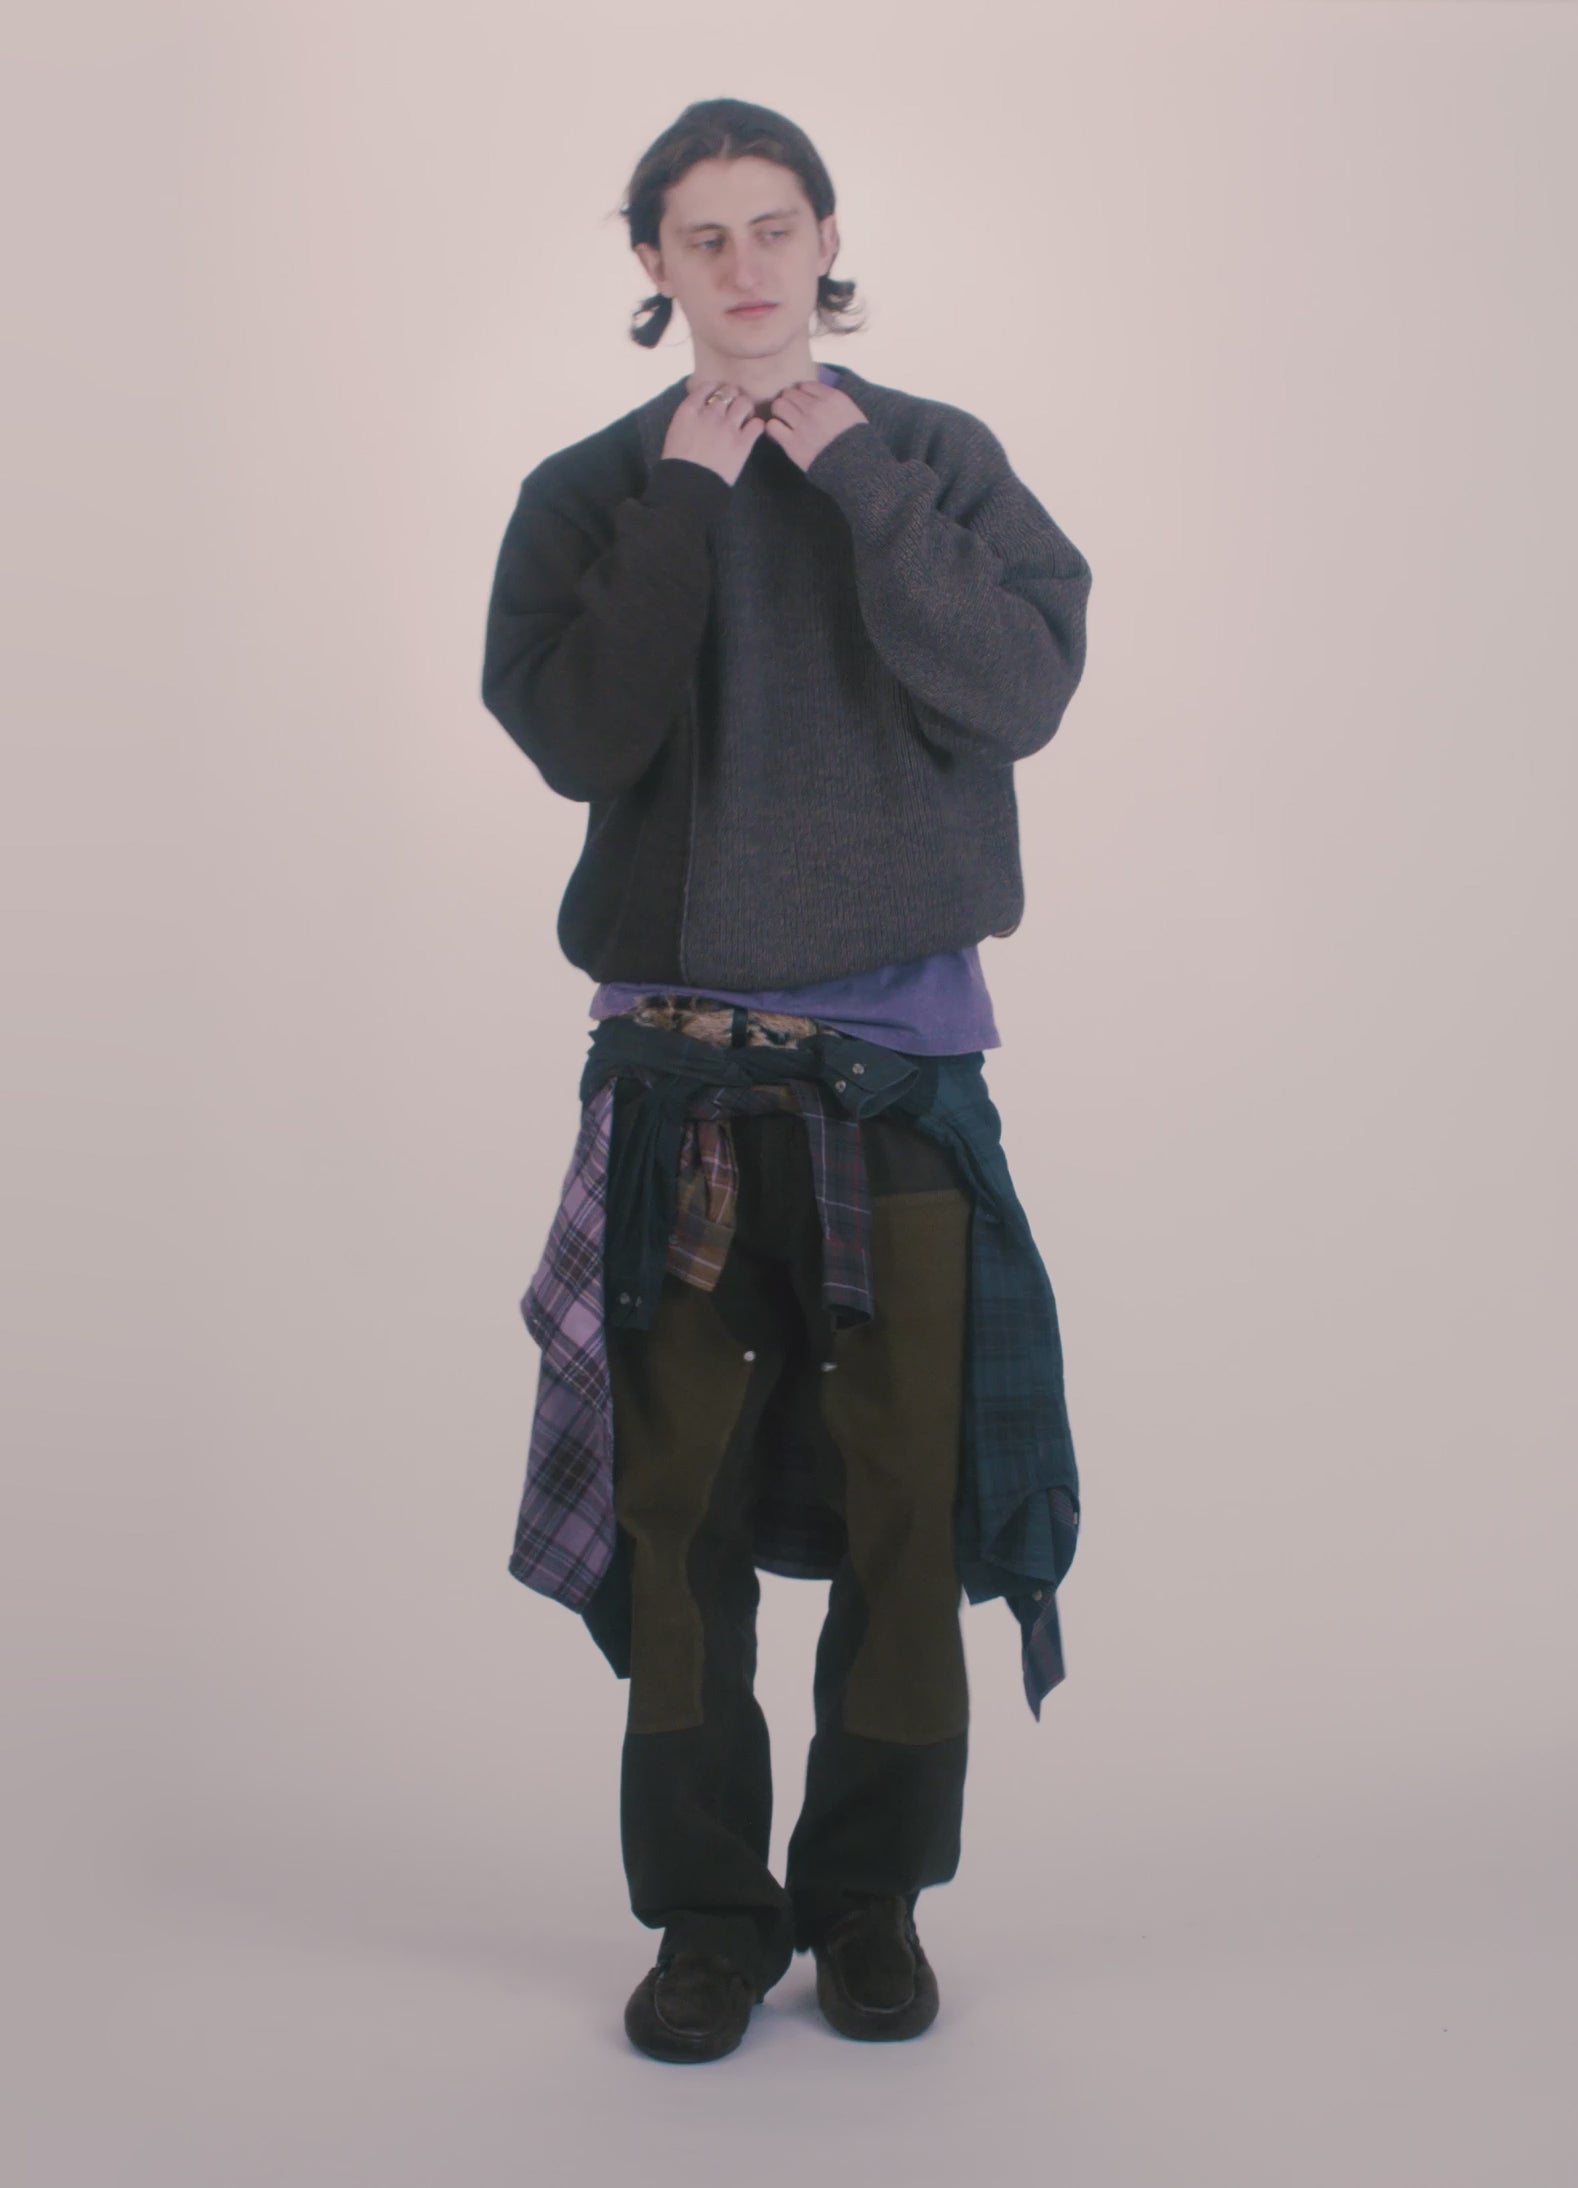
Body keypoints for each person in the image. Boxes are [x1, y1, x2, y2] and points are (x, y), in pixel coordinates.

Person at [480, 97, 1092, 2064]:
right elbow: (580, 737)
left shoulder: (933, 458)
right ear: (648, 264)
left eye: (772, 228)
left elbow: (1014, 690)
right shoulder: (591, 491)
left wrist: (849, 477)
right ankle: (706, 1920)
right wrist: (685, 495)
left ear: (825, 239)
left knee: (907, 1510)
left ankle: (868, 1902)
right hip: (677, 1088)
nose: (741, 267)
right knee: (677, 1522)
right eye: (700, 235)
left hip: (893, 1089)